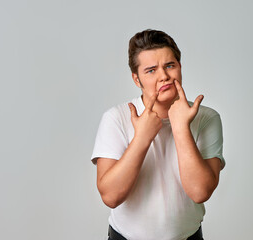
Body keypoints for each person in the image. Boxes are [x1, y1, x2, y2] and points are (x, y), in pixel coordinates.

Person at [91, 29, 225, 240]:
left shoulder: (207, 118)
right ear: (137, 79)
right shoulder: (116, 118)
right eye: (151, 70)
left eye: (170, 66)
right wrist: (142, 138)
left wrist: (181, 127)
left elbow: (200, 192)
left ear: (180, 67)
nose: (164, 76)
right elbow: (110, 196)